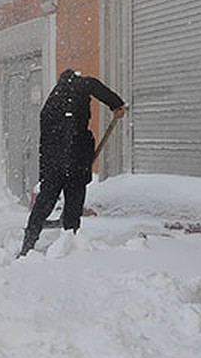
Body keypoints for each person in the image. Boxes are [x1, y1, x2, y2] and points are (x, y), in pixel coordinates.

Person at [17, 69, 127, 258]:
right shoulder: (81, 85)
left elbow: (43, 143)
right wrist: (116, 105)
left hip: (54, 163)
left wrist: (44, 176)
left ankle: (28, 244)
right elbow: (94, 85)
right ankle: (70, 241)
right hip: (75, 158)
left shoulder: (49, 104)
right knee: (74, 201)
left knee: (44, 203)